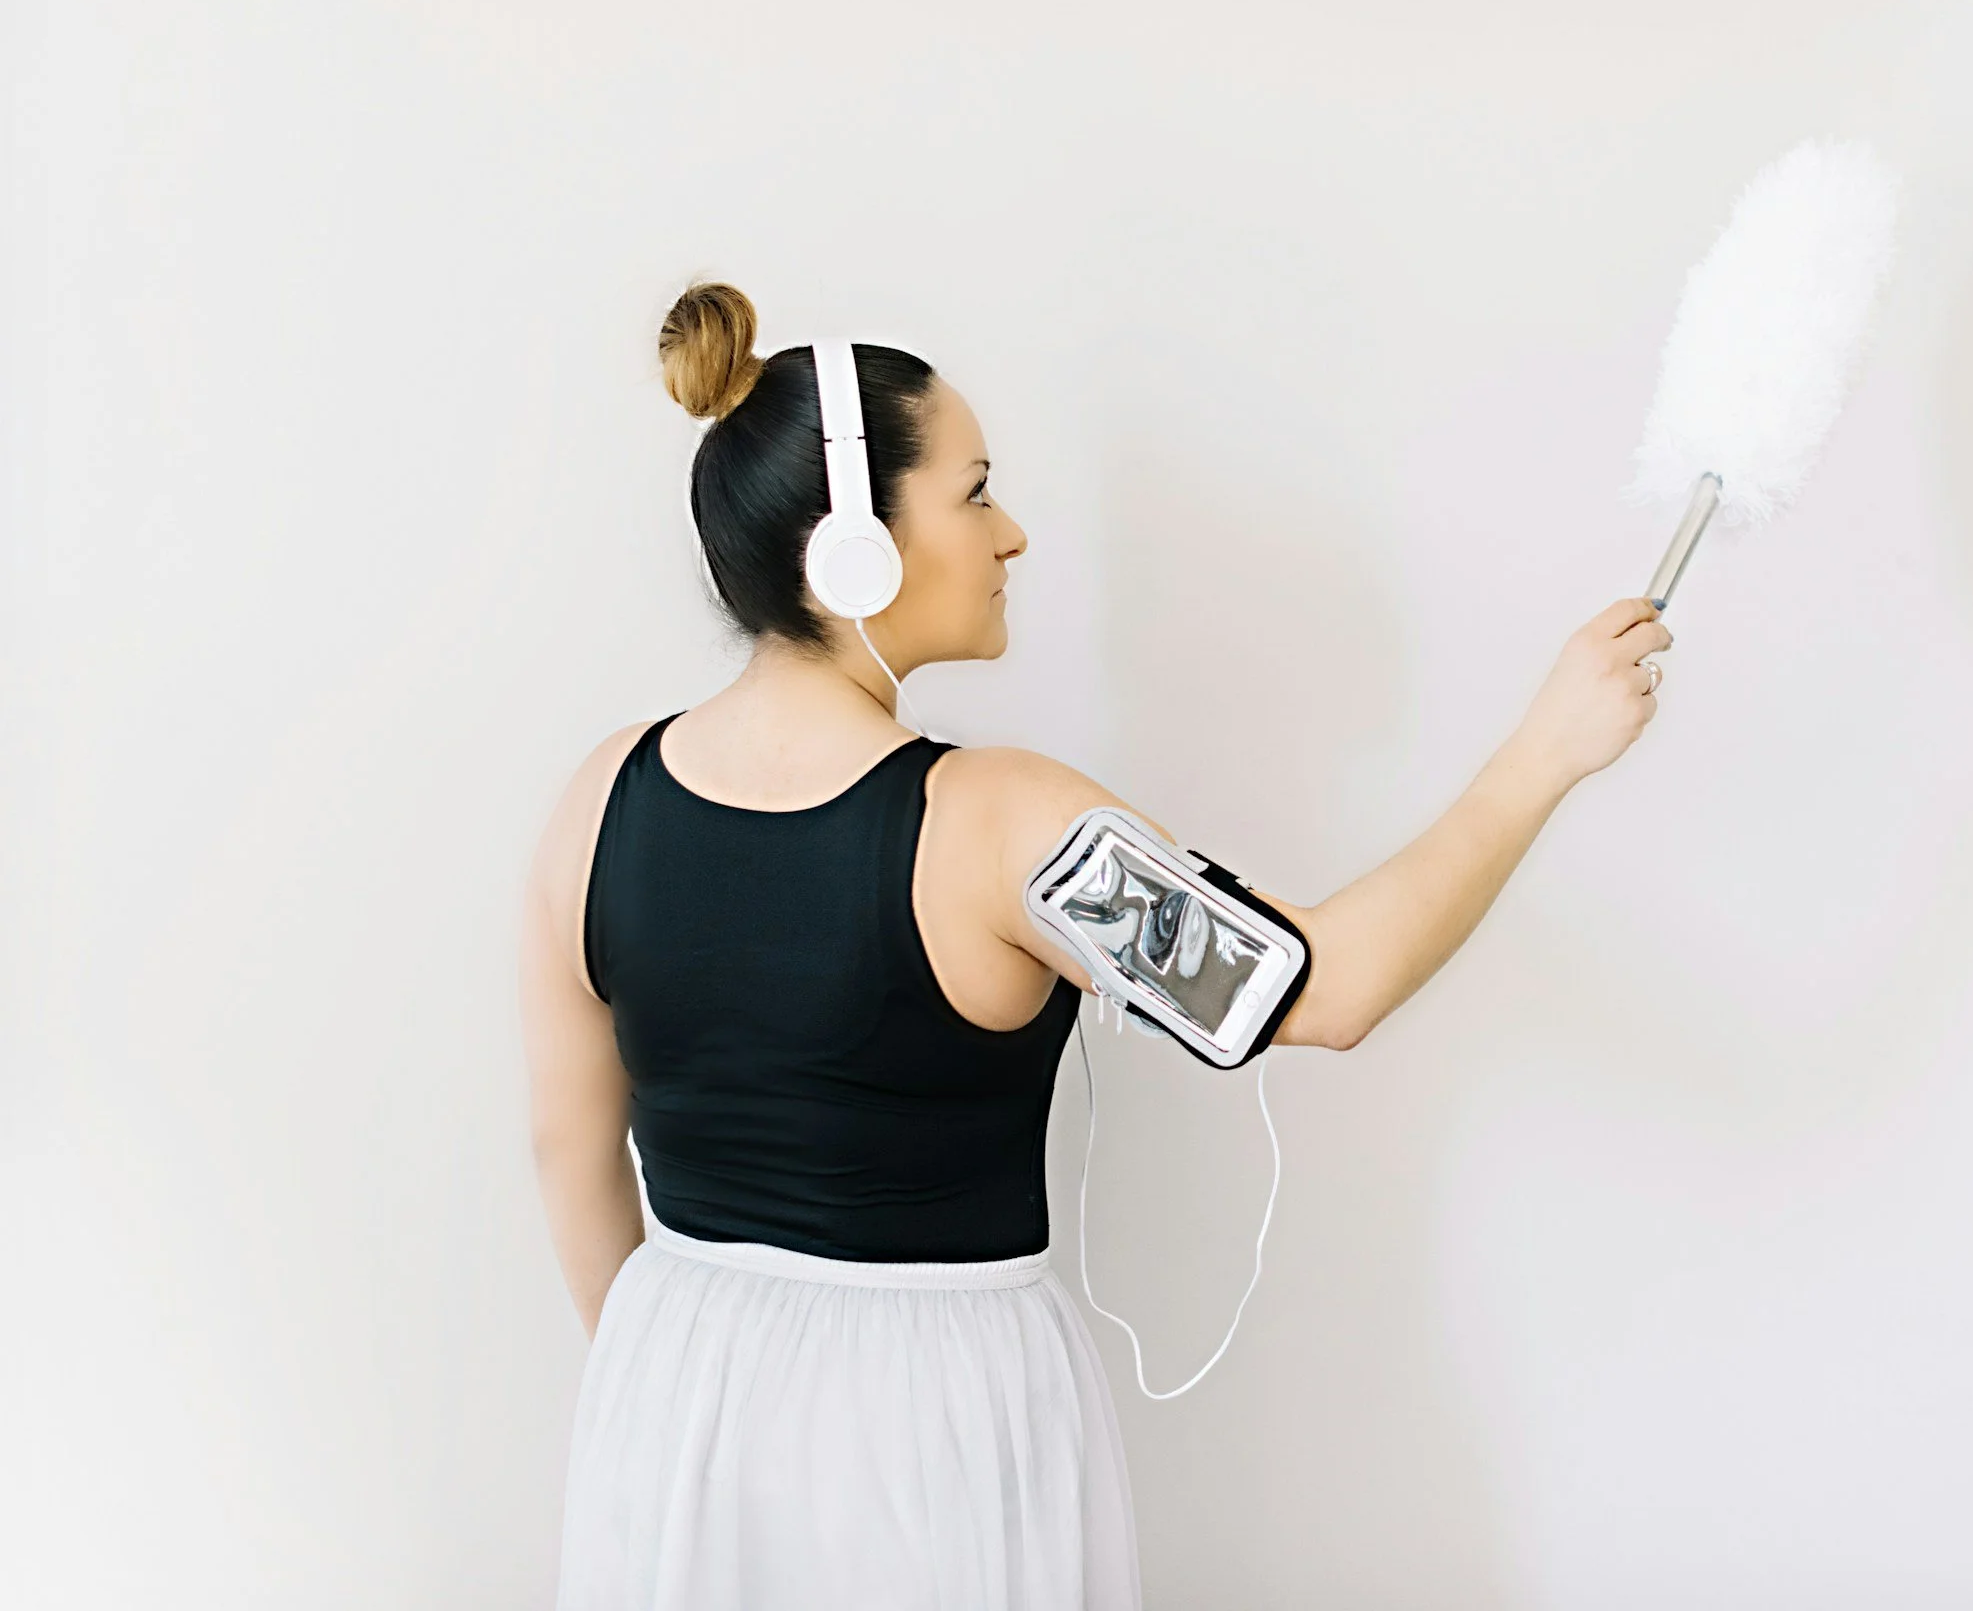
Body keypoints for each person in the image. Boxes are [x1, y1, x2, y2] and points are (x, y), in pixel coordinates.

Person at [517, 281, 1673, 1609]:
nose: (1011, 534)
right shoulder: (1005, 826)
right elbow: (1327, 988)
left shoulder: (597, 800)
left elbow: (568, 1146)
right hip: (933, 1425)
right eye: (974, 492)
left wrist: (682, 1384)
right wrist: (1545, 755)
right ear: (858, 549)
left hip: (669, 1399)